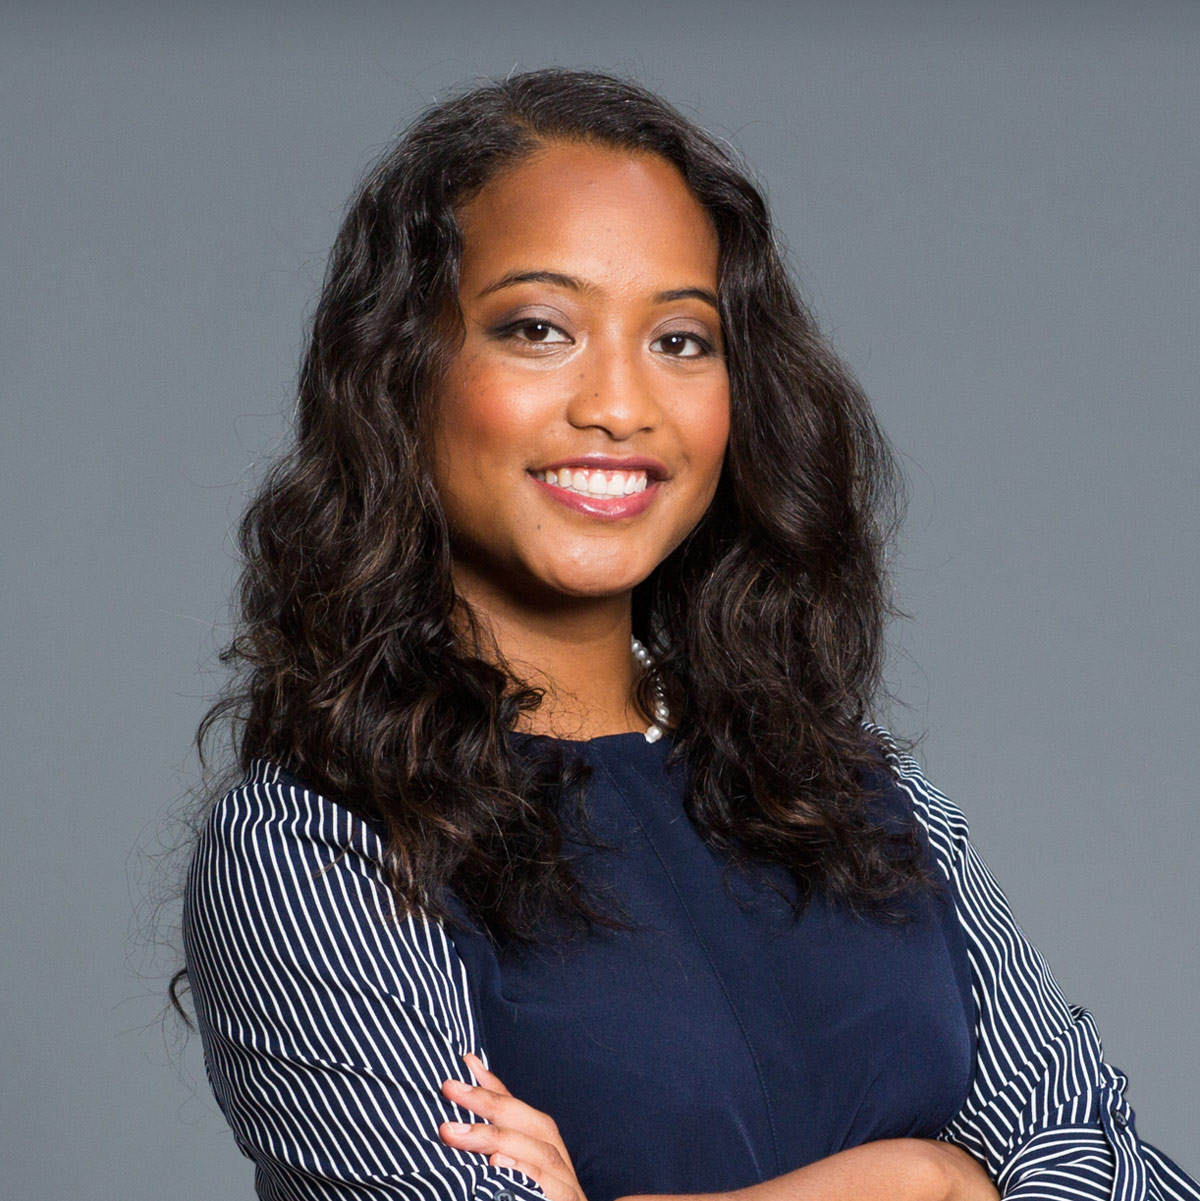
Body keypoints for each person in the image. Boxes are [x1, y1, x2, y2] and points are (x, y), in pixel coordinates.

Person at [177, 68, 1199, 1201]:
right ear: (400, 373)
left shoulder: (859, 795)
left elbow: (1119, 1171)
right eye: (538, 328)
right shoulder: (320, 846)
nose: (621, 405)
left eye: (680, 339)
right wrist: (934, 1179)